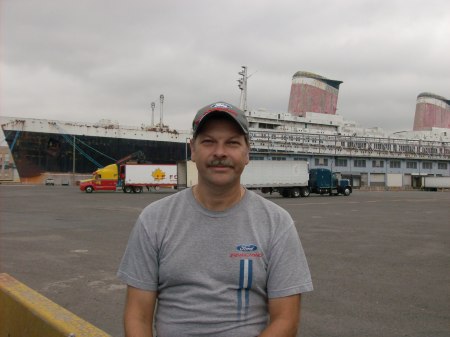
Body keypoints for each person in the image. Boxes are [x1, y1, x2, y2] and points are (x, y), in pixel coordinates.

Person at [117, 101, 313, 337]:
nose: (220, 152)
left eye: (232, 143)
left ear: (247, 152)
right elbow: (137, 315)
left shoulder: (277, 223)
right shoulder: (154, 219)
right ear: (193, 149)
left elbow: (286, 320)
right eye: (209, 142)